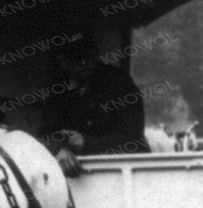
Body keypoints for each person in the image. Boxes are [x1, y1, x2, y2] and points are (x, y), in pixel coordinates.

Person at [41, 33, 148, 175]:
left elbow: (132, 135)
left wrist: (87, 142)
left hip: (124, 169)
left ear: (95, 54)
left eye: (88, 56)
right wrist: (59, 149)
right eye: (76, 58)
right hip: (77, 171)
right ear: (63, 61)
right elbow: (46, 132)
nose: (84, 63)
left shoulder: (118, 82)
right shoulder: (58, 89)